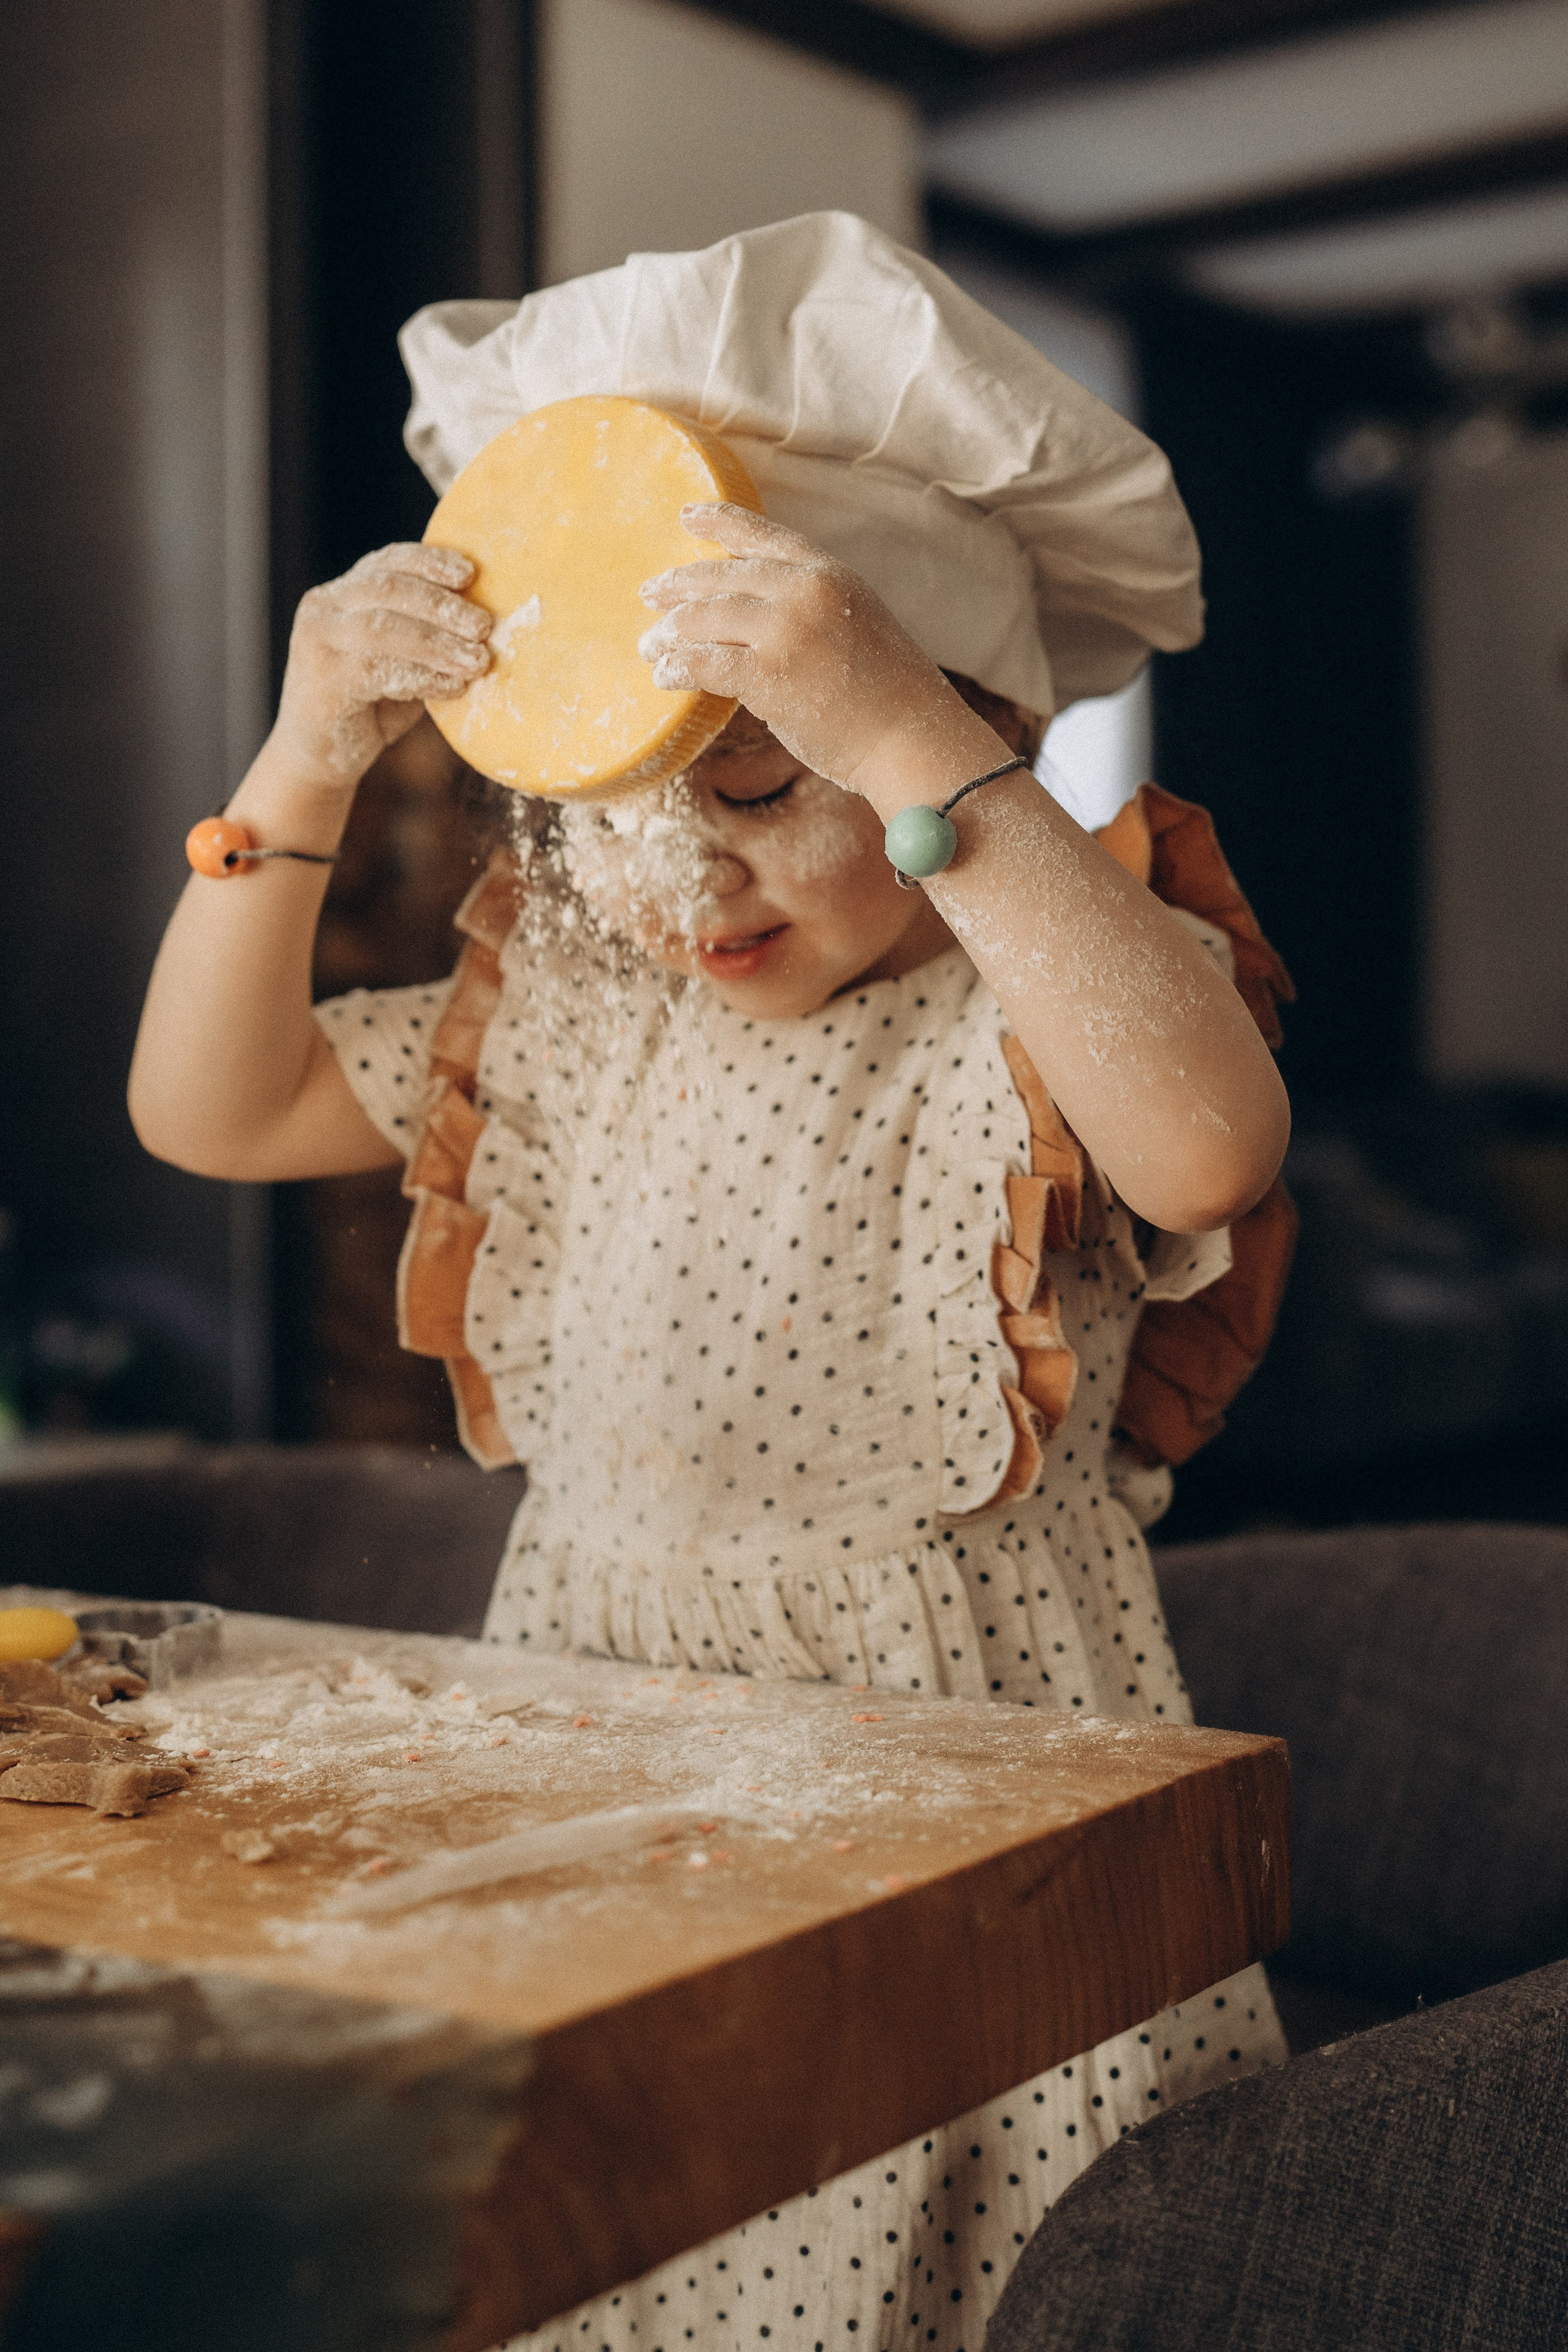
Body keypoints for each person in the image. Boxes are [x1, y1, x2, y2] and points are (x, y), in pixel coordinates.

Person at [130, 213, 1297, 2352]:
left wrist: (900, 733)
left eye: (760, 777)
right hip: (596, 1748)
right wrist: (301, 757)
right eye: (604, 816)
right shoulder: (581, 1004)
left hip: (957, 1794)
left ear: (979, 727)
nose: (681, 876)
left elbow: (1210, 1142)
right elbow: (211, 1109)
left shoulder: (1046, 997)